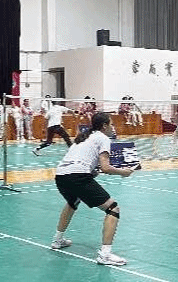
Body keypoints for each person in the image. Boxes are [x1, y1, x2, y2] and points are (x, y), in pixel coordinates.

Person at [51, 112, 137, 265]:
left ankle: (57, 240)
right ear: (104, 126)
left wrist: (92, 172)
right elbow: (105, 167)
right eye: (111, 124)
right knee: (113, 209)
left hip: (61, 176)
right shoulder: (103, 138)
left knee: (72, 202)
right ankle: (105, 255)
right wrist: (123, 172)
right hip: (77, 176)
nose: (113, 127)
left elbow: (82, 162)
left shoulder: (83, 137)